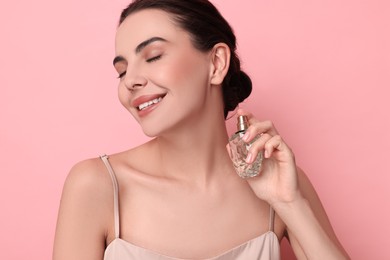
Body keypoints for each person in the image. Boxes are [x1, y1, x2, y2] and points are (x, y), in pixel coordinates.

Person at [53, 0, 350, 259]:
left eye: (153, 56)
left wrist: (289, 204)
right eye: (121, 71)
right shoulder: (97, 185)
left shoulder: (283, 183)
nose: (130, 80)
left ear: (217, 63)